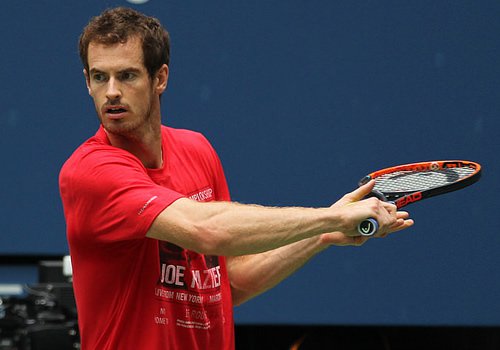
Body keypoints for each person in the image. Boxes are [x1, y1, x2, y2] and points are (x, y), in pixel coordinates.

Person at [59, 7, 413, 350]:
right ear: (87, 82)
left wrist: (320, 235)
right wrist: (333, 215)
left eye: (128, 75)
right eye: (99, 77)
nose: (111, 92)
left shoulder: (197, 150)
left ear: (160, 78)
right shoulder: (91, 171)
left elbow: (230, 284)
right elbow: (208, 231)